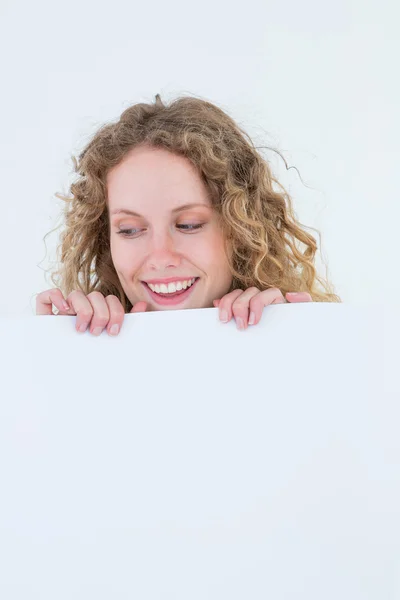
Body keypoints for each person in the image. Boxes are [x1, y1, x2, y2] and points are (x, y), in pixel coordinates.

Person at [36, 94, 341, 335]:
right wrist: (56, 352)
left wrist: (299, 340)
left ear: (241, 227)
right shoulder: (79, 345)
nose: (161, 256)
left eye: (188, 225)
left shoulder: (295, 332)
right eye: (129, 230)